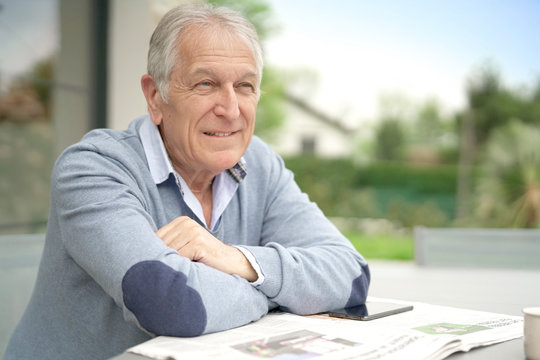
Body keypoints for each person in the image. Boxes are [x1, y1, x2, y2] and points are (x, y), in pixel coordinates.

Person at [5, 4, 370, 360]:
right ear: (155, 97)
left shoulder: (260, 164)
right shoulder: (93, 169)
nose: (230, 109)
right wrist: (280, 292)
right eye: (206, 83)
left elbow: (351, 277)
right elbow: (168, 303)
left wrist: (237, 261)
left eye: (244, 86)